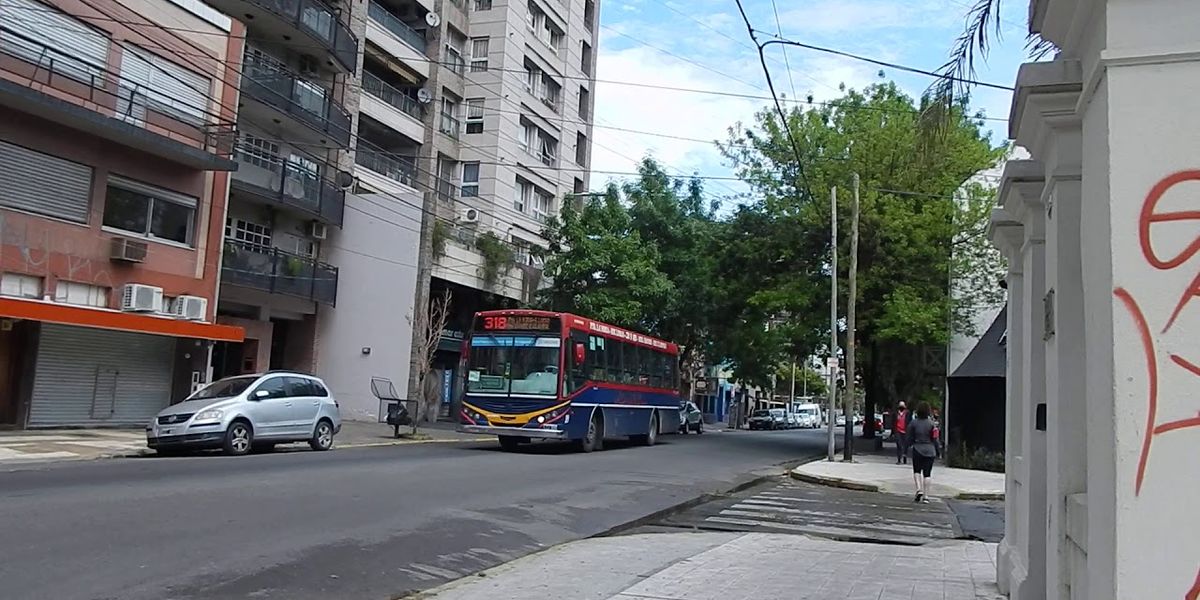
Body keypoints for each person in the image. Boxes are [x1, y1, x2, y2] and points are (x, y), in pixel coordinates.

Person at [906, 401, 940, 503]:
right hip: (930, 450)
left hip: (917, 449)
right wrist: (938, 451)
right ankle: (926, 496)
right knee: (927, 473)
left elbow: (909, 437)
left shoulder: (914, 423)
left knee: (917, 471)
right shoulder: (932, 424)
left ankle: (918, 489)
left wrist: (906, 448)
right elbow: (935, 439)